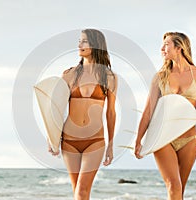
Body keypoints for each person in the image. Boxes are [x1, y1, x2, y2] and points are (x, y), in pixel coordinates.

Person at [134, 32, 196, 200]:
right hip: (163, 138)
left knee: (180, 190)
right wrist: (138, 139)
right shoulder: (160, 77)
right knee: (173, 186)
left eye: (166, 44)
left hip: (189, 138)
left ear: (179, 47)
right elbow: (148, 111)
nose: (162, 49)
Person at [49, 29, 117, 200]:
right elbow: (56, 109)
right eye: (79, 41)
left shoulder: (109, 77)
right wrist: (52, 137)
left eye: (84, 41)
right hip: (69, 140)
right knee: (77, 191)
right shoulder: (69, 74)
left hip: (95, 141)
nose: (79, 45)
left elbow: (110, 112)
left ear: (95, 44)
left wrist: (110, 144)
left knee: (82, 191)